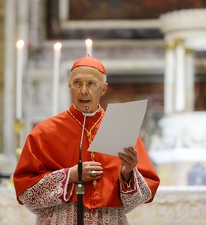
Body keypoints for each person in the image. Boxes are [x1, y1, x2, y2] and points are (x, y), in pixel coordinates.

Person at [13, 56, 160, 224]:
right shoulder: (45, 131)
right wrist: (70, 176)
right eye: (77, 83)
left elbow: (142, 195)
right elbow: (26, 193)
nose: (83, 90)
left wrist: (127, 173)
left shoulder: (122, 127)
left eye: (91, 84)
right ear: (69, 86)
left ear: (103, 89)